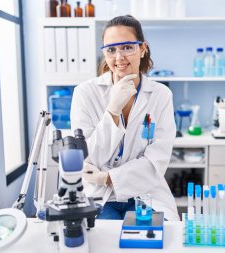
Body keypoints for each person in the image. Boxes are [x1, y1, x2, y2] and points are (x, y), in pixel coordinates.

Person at [70, 15, 179, 221]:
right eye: (111, 50)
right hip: (99, 196)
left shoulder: (161, 95)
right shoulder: (85, 93)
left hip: (145, 193)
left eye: (127, 47)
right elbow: (87, 158)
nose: (119, 57)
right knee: (104, 241)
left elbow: (157, 160)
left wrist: (108, 177)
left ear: (142, 48)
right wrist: (112, 110)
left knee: (154, 240)